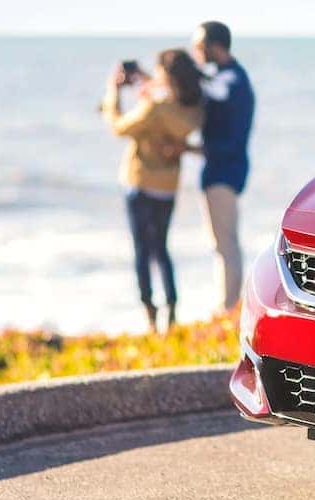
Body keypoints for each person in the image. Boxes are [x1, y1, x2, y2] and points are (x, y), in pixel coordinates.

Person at [102, 49, 203, 332]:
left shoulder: (155, 108)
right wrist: (148, 81)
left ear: (167, 76)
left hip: (140, 181)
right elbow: (172, 98)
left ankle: (149, 312)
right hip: (168, 186)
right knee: (162, 248)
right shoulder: (194, 108)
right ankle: (172, 307)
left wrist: (113, 91)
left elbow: (119, 127)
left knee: (142, 250)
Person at [191, 21, 255, 313]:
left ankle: (229, 307)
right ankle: (227, 305)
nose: (197, 53)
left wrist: (191, 148)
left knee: (225, 242)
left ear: (214, 47)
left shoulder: (232, 82)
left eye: (200, 47)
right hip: (221, 170)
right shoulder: (225, 78)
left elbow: (232, 137)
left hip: (224, 173)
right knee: (223, 242)